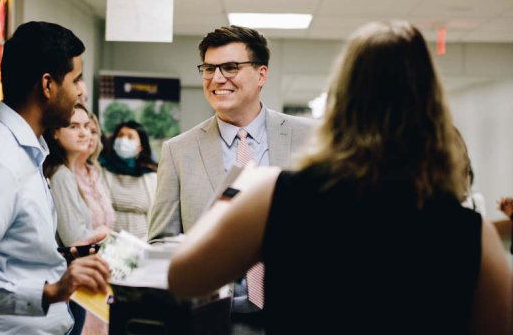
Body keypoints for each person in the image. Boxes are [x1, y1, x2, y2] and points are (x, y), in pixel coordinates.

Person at [168, 21, 512, 335]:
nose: (217, 77)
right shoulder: (470, 231)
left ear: (339, 102)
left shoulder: (275, 194)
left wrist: (230, 201)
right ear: (434, 108)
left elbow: (183, 277)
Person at [0, 22, 110, 335]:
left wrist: (64, 258)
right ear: (47, 85)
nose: (81, 92)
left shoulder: (28, 151)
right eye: (75, 79)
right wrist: (50, 291)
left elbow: (10, 256)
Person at [148, 25, 313, 333]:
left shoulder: (310, 137)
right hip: (209, 319)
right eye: (209, 68)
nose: (217, 78)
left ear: (261, 74)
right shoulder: (178, 151)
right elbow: (159, 243)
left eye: (230, 67)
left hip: (296, 313)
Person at [43, 104, 112, 335]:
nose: (84, 133)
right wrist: (105, 235)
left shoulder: (71, 173)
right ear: (54, 132)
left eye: (86, 126)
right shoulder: (61, 175)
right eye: (74, 127)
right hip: (67, 279)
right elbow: (74, 239)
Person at [74, 111, 116, 335]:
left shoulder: (95, 172)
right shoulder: (64, 174)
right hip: (81, 273)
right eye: (80, 129)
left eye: (93, 131)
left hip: (103, 270)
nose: (88, 136)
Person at [100, 121, 158, 240]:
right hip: (108, 245)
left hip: (144, 244)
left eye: (130, 137)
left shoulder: (151, 177)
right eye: (120, 135)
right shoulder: (103, 172)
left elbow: (157, 217)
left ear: (140, 147)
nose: (123, 140)